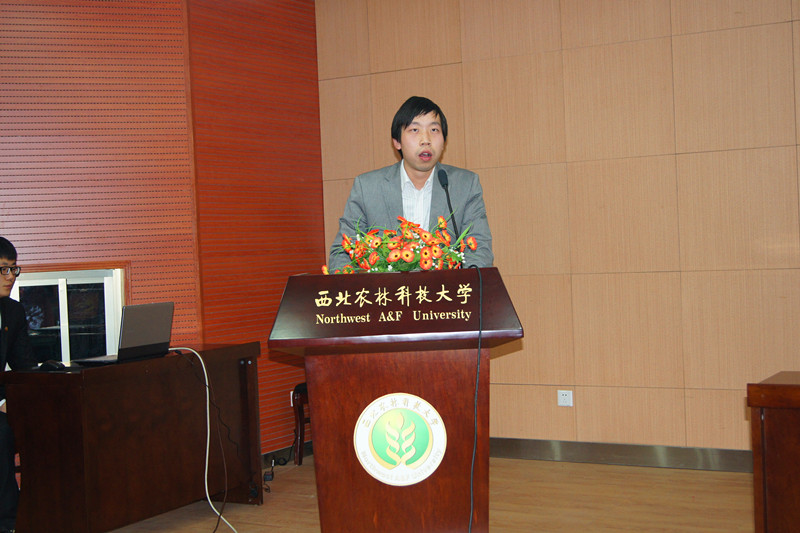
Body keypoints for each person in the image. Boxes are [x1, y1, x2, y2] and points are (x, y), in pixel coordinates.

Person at [328, 96, 493, 271]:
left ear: (444, 141)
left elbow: (479, 250)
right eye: (415, 130)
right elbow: (342, 253)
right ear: (397, 142)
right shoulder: (367, 187)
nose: (426, 139)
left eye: (434, 130)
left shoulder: (465, 185)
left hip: (446, 288)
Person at [0, 237, 36, 533]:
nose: (10, 277)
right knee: (1, 432)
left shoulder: (13, 311)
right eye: (3, 269)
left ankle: (47, 505)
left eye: (13, 269)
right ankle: (8, 521)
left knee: (46, 420)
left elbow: (25, 367)